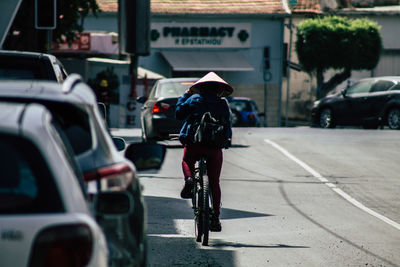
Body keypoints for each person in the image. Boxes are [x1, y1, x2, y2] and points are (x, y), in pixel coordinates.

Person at [175, 72, 233, 232]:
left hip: (194, 144)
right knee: (214, 182)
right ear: (218, 89)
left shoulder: (194, 99)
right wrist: (227, 141)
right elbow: (227, 125)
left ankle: (189, 180)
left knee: (186, 161)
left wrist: (185, 95)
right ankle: (215, 217)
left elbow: (178, 113)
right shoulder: (223, 104)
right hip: (214, 148)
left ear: (201, 88)